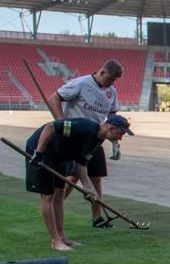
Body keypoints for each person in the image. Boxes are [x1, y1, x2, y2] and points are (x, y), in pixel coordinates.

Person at [24, 115, 133, 251]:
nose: (120, 138)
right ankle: (56, 241)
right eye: (121, 133)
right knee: (48, 195)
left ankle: (62, 238)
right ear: (111, 128)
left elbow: (81, 164)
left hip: (60, 156)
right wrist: (38, 152)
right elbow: (51, 127)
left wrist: (88, 188)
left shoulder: (96, 142)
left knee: (59, 193)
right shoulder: (83, 128)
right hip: (43, 149)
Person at [47, 59, 124, 229]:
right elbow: (54, 98)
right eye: (110, 79)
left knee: (96, 177)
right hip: (75, 138)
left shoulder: (112, 92)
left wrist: (115, 142)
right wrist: (62, 124)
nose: (111, 83)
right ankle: (56, 206)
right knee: (74, 176)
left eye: (114, 81)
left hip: (96, 139)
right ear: (101, 72)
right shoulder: (81, 83)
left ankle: (97, 218)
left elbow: (112, 119)